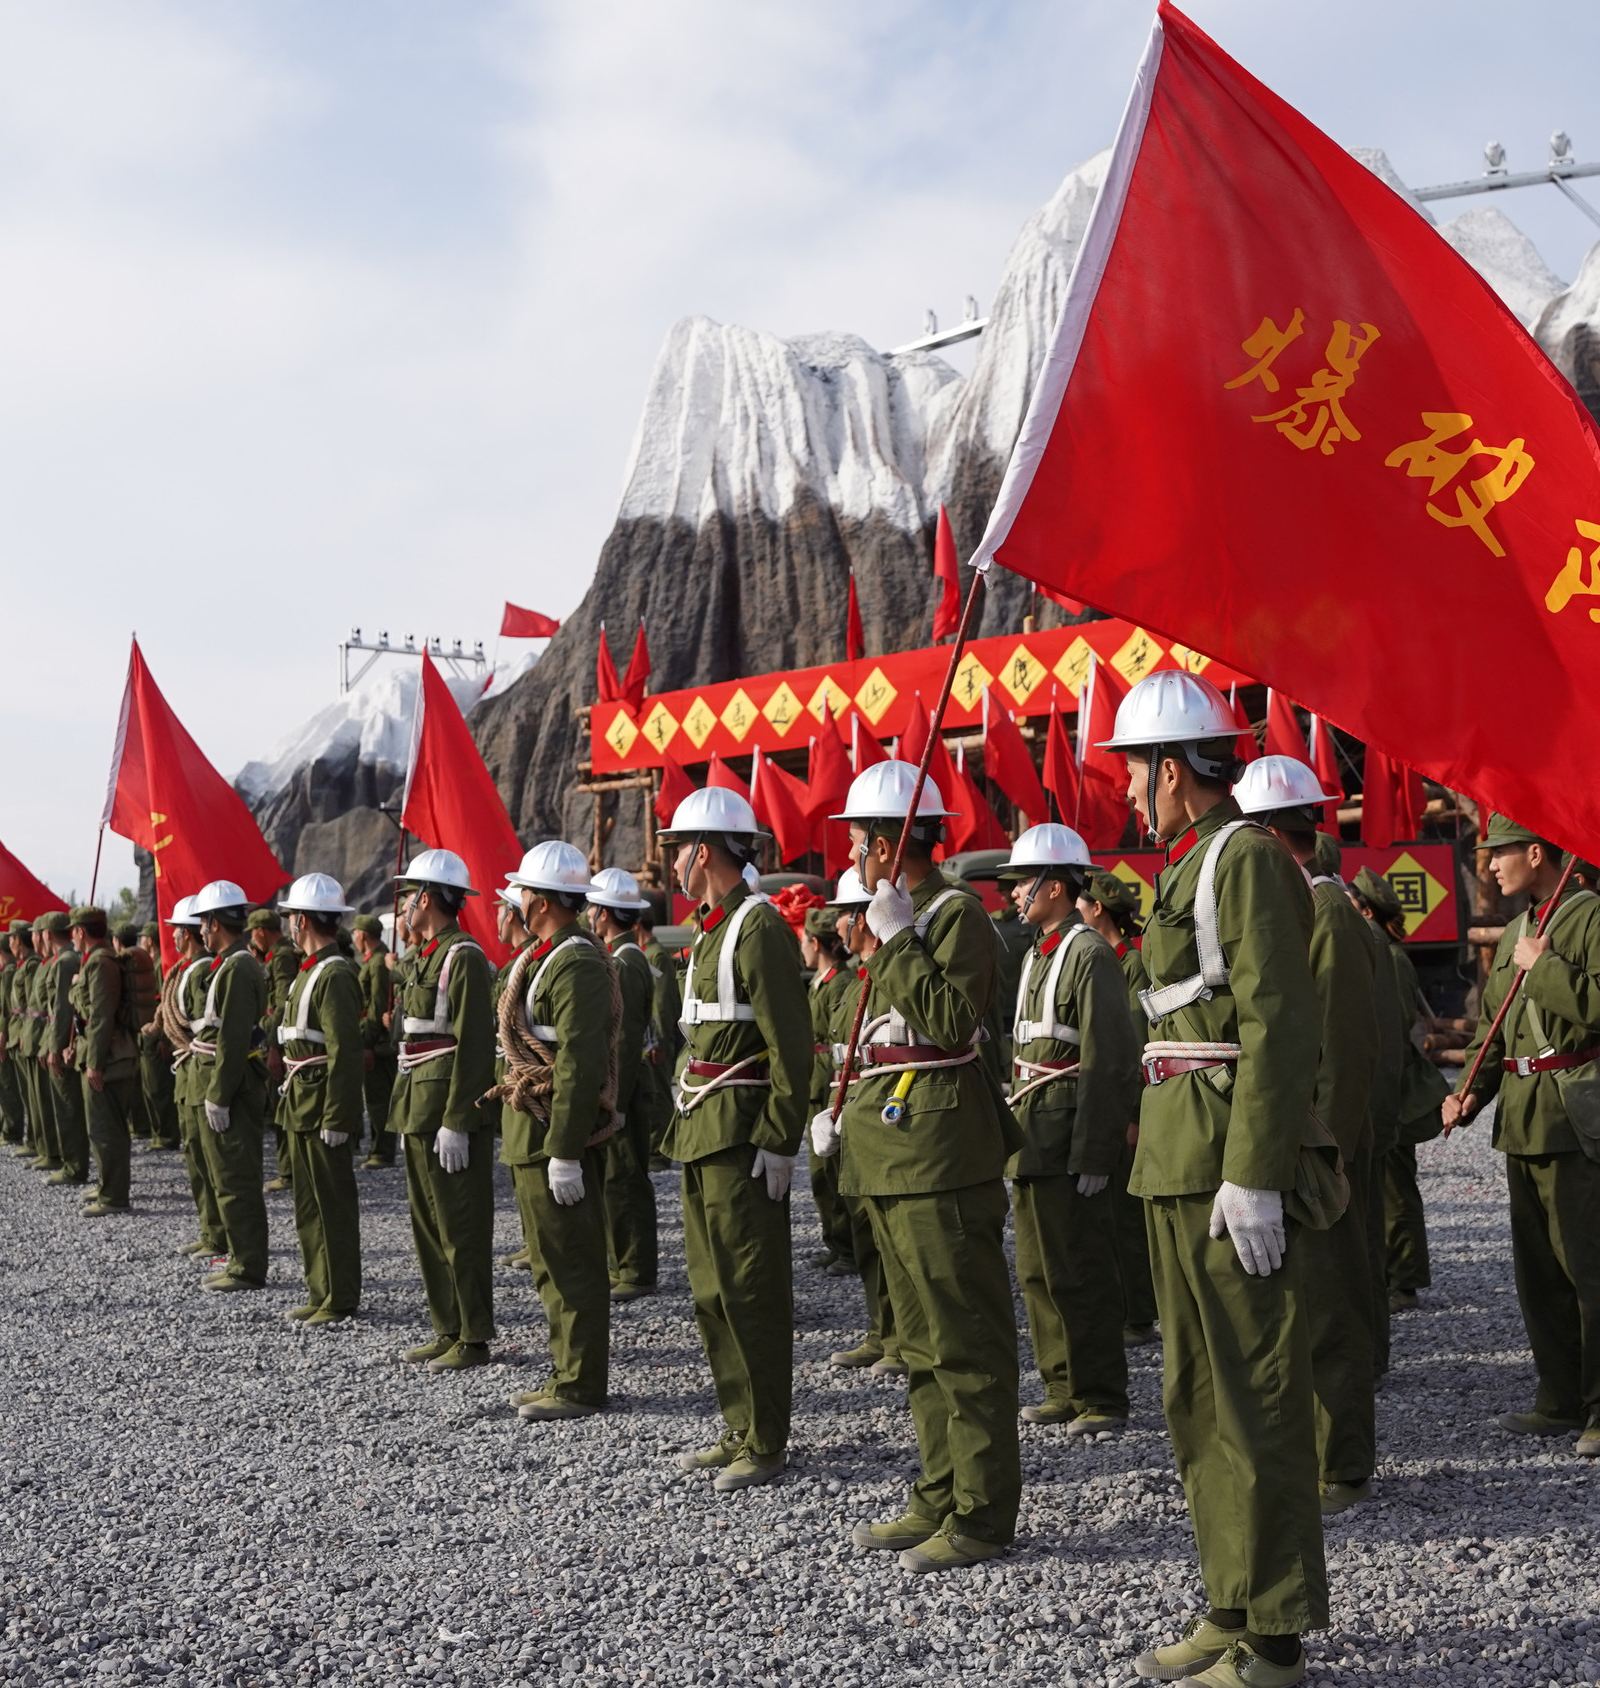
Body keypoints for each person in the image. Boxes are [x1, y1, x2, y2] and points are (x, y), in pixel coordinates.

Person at [1100, 672, 1325, 1688]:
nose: (1127, 791)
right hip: (1176, 1158)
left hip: (1223, 1159)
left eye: (1134, 769)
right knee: (1197, 1395)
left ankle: (1275, 1636)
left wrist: (1256, 1171)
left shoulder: (1243, 860)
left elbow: (1278, 1020)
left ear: (1175, 770)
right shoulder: (1189, 861)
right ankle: (1230, 1598)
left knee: (1257, 1397)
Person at [815, 760, 1023, 1574]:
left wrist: (898, 938)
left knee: (964, 1342)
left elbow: (946, 1024)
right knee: (920, 1346)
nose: (856, 858)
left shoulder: (955, 915)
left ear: (889, 844)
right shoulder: (892, 918)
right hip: (891, 1154)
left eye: (861, 842)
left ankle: (981, 1514)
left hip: (940, 1154)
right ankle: (939, 1492)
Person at [1235, 757, 1380, 1516]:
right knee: (1299, 1309)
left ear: (1263, 832)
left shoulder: (1323, 908)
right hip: (1291, 1131)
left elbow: (1342, 1046)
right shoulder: (1289, 899)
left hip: (1318, 1140)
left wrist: (1333, 1153)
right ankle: (1316, 1452)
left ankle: (1344, 1464)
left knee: (1329, 1309)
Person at [658, 787, 810, 1493]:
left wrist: (782, 1139)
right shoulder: (710, 930)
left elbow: (791, 1045)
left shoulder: (758, 928)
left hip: (742, 1134)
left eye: (678, 849)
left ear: (707, 851)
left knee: (751, 1289)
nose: (673, 863)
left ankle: (767, 1438)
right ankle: (738, 1425)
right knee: (712, 1290)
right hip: (701, 1128)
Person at [1442, 814, 1600, 1460]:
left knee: (1588, 1270)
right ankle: (1558, 1397)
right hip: (1526, 1119)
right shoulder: (1515, 932)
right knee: (1539, 1274)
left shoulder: (1588, 917)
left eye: (1500, 854)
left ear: (1537, 853)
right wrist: (1469, 1093)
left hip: (1576, 1117)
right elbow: (1494, 1033)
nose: (1490, 867)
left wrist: (1546, 968)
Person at [999, 823, 1141, 1436]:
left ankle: (1102, 1394)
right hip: (1033, 1138)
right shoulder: (1037, 952)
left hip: (1065, 1139)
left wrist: (1095, 1151)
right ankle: (1061, 1384)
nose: (1012, 895)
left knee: (1080, 1268)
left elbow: (1108, 1058)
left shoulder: (1086, 955)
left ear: (1055, 887)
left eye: (1021, 883)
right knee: (1038, 1270)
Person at [495, 843, 620, 1420]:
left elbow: (578, 1062)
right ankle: (565, 1372)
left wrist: (565, 1151)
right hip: (531, 1130)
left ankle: (580, 1384)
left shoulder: (575, 962)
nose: (517, 901)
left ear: (540, 901)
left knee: (572, 1261)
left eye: (522, 892)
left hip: (553, 1132)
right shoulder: (544, 956)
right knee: (549, 1261)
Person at [390, 848, 497, 1371]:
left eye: (410, 895)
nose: (405, 905)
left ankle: (474, 1335)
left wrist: (459, 1119)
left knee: (460, 1225)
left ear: (428, 898)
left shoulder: (465, 956)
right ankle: (446, 1325)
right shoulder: (427, 955)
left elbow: (476, 1045)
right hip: (416, 1104)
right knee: (429, 1225)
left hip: (445, 1110)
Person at [820, 868, 904, 1377]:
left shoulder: (888, 976)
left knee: (891, 1240)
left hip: (884, 1121)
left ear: (864, 919)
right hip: (852, 1119)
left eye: (843, 916)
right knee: (866, 1236)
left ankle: (900, 1339)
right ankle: (881, 1330)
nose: (837, 928)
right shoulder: (857, 983)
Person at [1351, 866, 1442, 1317]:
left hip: (1396, 1087)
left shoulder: (1387, 955)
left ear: (1365, 910)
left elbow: (1397, 1027)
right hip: (1388, 1084)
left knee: (1396, 1189)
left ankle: (1404, 1281)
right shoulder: (1382, 950)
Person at [276, 874, 365, 1325]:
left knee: (332, 1204)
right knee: (308, 1204)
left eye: (292, 916)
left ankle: (340, 1295)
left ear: (304, 920)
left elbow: (345, 1052)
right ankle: (320, 1289)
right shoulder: (309, 970)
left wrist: (339, 1115)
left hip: (320, 1104)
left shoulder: (336, 974)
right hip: (299, 1103)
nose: (289, 924)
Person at [1077, 868, 1159, 1346]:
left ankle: (1137, 1315)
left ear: (1097, 910)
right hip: (1105, 1101)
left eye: (1082, 907)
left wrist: (1132, 1116)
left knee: (1126, 1217)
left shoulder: (1129, 963)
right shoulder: (1103, 957)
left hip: (1128, 1105)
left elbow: (1130, 1042)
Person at [190, 881, 272, 1288]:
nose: (200, 930)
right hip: (226, 1082)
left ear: (213, 922)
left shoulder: (238, 967)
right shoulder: (229, 963)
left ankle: (247, 1266)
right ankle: (239, 1257)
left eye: (203, 922)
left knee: (236, 1177)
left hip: (234, 1087)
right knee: (226, 1175)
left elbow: (233, 1038)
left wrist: (219, 1095)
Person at [586, 866, 662, 1304]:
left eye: (593, 909)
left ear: (604, 913)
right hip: (619, 1083)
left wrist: (614, 1095)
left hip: (626, 1085)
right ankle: (623, 1262)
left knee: (627, 1175)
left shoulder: (626, 961)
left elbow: (626, 1037)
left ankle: (637, 1268)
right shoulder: (618, 957)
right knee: (615, 1175)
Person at [161, 896, 230, 1262]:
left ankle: (221, 1236)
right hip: (188, 1074)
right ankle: (209, 1231)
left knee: (211, 1161)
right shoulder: (188, 968)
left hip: (201, 1070)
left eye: (176, 930)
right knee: (196, 1158)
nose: (171, 936)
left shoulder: (203, 970)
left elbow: (205, 1025)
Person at [67, 905, 143, 1217]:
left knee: (107, 1129)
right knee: (102, 1128)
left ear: (81, 932)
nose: (72, 936)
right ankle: (106, 1185)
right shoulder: (94, 962)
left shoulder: (100, 964)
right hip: (103, 1054)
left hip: (110, 1057)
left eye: (73, 930)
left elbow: (100, 1017)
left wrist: (95, 1062)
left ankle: (114, 1196)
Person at [802, 903, 856, 1275]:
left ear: (817, 944)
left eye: (805, 940)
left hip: (829, 1078)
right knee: (820, 1170)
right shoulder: (819, 982)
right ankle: (834, 1242)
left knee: (835, 1166)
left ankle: (850, 1248)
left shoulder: (840, 983)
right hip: (814, 1078)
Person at [250, 908, 300, 1196]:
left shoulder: (281, 957)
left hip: (278, 1041)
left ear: (260, 932)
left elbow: (282, 1004)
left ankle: (288, 1172)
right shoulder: (275, 955)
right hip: (277, 1037)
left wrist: (273, 1045)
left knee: (281, 1108)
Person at [37, 912, 89, 1188]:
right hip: (64, 1037)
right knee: (66, 1105)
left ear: (47, 934)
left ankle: (75, 1167)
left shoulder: (65, 962)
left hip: (66, 1041)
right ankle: (73, 1163)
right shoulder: (66, 960)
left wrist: (55, 1047)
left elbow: (62, 1009)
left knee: (68, 1106)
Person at [350, 914, 399, 1169]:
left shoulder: (379, 962)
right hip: (373, 1040)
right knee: (375, 1098)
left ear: (363, 935)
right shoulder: (374, 959)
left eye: (355, 933)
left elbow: (378, 1005)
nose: (353, 938)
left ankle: (382, 1151)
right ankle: (377, 1147)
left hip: (378, 1043)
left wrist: (367, 1042)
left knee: (379, 1099)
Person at [639, 907, 684, 1169]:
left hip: (657, 1037)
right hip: (649, 1037)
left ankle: (661, 1149)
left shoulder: (656, 956)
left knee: (659, 1095)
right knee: (650, 1092)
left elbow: (662, 1003)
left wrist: (657, 1039)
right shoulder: (647, 954)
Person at [136, 921, 181, 1152]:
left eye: (143, 937)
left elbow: (165, 1003)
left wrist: (164, 1038)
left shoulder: (160, 966)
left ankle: (167, 1135)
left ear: (150, 940)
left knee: (160, 1088)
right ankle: (158, 1133)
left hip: (160, 1035)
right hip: (151, 1033)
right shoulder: (152, 964)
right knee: (151, 1088)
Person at [0, 937, 25, 1150]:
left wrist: (3, 1033)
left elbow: (6, 1008)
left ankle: (12, 1130)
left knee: (8, 1084)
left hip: (6, 1034)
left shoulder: (8, 972)